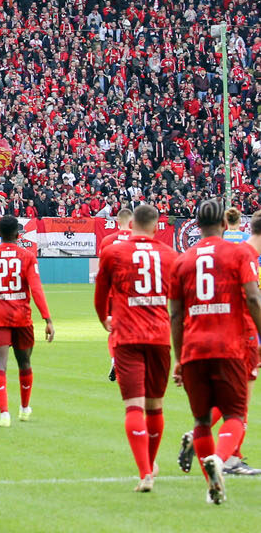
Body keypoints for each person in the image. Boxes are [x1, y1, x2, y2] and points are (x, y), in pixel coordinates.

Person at [169, 197, 261, 505]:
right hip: (231, 345)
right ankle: (221, 460)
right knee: (236, 413)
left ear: (196, 225)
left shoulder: (181, 261)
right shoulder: (239, 252)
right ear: (225, 224)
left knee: (202, 421)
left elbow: (176, 316)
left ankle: (213, 486)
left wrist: (179, 359)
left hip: (194, 348)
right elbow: (252, 298)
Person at [92, 203, 176, 490]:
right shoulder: (169, 255)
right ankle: (151, 462)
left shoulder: (113, 251)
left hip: (127, 335)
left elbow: (100, 293)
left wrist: (104, 318)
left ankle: (145, 474)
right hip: (160, 336)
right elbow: (177, 303)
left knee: (133, 407)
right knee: (155, 406)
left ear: (130, 223)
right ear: (155, 227)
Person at [0, 216, 53, 426]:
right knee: (25, 363)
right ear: (18, 235)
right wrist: (47, 318)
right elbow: (36, 289)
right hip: (22, 317)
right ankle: (25, 408)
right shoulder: (27, 256)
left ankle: (4, 414)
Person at [97, 206, 136, 382]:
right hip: (133, 292)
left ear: (117, 222)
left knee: (113, 329)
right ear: (132, 222)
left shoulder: (107, 240)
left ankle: (115, 359)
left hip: (113, 292)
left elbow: (102, 269)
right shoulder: (138, 240)